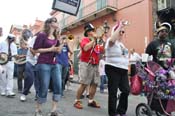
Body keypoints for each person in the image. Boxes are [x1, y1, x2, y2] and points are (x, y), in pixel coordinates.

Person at [33, 17, 62, 116]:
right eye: (55, 21)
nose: (57, 23)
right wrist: (50, 49)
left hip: (54, 64)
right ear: (49, 24)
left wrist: (61, 43)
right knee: (44, 86)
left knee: (58, 85)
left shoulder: (56, 37)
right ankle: (38, 110)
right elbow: (35, 50)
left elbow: (58, 51)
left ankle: (53, 110)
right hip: (43, 63)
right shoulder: (42, 35)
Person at [145, 22, 175, 114]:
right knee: (157, 91)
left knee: (168, 91)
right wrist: (146, 68)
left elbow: (173, 57)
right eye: (162, 31)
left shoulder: (170, 44)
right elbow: (145, 56)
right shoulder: (153, 44)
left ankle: (165, 109)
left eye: (166, 31)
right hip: (156, 71)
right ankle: (154, 107)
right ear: (158, 32)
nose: (165, 33)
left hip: (168, 71)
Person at [105, 21, 130, 116]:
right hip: (112, 68)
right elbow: (112, 40)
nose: (122, 33)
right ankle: (112, 113)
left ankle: (121, 110)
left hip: (123, 69)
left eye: (123, 31)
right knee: (113, 92)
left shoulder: (122, 45)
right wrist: (120, 26)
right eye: (120, 31)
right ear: (115, 31)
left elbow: (125, 57)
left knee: (126, 90)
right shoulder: (110, 41)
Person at [73, 23, 101, 109]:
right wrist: (94, 40)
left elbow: (100, 52)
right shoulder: (84, 40)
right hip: (86, 63)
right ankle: (77, 101)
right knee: (84, 84)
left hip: (95, 64)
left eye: (93, 31)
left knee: (95, 83)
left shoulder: (97, 42)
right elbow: (85, 48)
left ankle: (91, 101)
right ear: (88, 32)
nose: (93, 32)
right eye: (92, 31)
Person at [20, 33, 39, 102]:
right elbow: (31, 49)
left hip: (39, 62)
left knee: (38, 80)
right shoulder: (35, 38)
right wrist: (37, 55)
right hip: (30, 61)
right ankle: (24, 93)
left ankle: (38, 94)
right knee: (29, 78)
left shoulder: (46, 40)